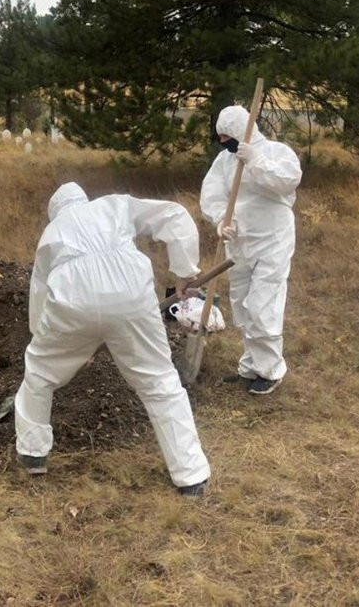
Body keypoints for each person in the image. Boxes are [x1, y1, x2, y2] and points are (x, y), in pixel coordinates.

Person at [14, 182, 211, 496]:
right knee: (159, 380)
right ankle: (191, 476)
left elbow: (40, 293)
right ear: (84, 199)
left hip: (71, 301)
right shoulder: (113, 205)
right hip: (130, 294)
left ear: (55, 213)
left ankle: (33, 453)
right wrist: (184, 271)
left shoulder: (51, 234)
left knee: (39, 372)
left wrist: (58, 342)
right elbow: (174, 216)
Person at [200, 104, 303, 395]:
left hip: (272, 239)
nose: (223, 142)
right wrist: (221, 220)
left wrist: (256, 161)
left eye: (226, 136)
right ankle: (251, 365)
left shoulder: (276, 152)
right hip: (240, 242)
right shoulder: (224, 161)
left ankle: (271, 370)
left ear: (239, 132)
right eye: (220, 137)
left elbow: (287, 182)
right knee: (243, 305)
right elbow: (211, 194)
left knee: (263, 305)